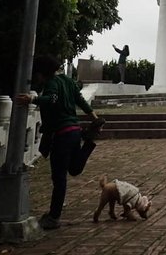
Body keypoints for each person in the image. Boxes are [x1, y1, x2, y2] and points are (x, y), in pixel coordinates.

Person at [16, 54, 105, 230]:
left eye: (37, 74)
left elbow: (52, 99)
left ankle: (54, 217)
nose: (36, 78)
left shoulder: (52, 83)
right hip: (74, 132)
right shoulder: (69, 82)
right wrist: (94, 117)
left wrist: (33, 99)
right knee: (74, 169)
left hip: (61, 134)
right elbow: (80, 100)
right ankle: (88, 142)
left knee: (59, 178)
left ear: (43, 73)